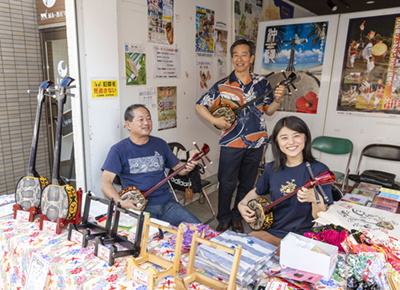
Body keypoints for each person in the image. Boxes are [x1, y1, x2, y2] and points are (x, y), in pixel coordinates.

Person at [195, 39, 285, 233]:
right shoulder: (223, 85)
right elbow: (200, 105)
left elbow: (269, 111)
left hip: (257, 142)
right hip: (231, 142)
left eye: (244, 54)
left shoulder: (262, 83)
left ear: (251, 58)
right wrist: (215, 121)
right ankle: (224, 218)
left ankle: (238, 217)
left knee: (247, 182)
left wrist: (277, 99)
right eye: (235, 55)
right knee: (226, 183)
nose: (239, 59)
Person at [238, 116, 333, 247]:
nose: (291, 142)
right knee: (242, 246)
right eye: (284, 137)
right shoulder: (271, 168)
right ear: (277, 142)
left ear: (305, 138)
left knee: (278, 260)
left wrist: (315, 198)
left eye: (296, 136)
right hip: (274, 232)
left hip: (305, 237)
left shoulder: (319, 170)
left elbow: (319, 218)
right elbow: (257, 191)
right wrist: (242, 204)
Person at [101, 104, 201, 227]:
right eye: (141, 119)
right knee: (157, 240)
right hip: (139, 207)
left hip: (166, 204)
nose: (146, 122)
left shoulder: (160, 144)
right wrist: (120, 202)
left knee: (199, 230)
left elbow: (178, 169)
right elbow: (105, 182)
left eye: (149, 118)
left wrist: (188, 166)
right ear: (128, 125)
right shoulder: (118, 150)